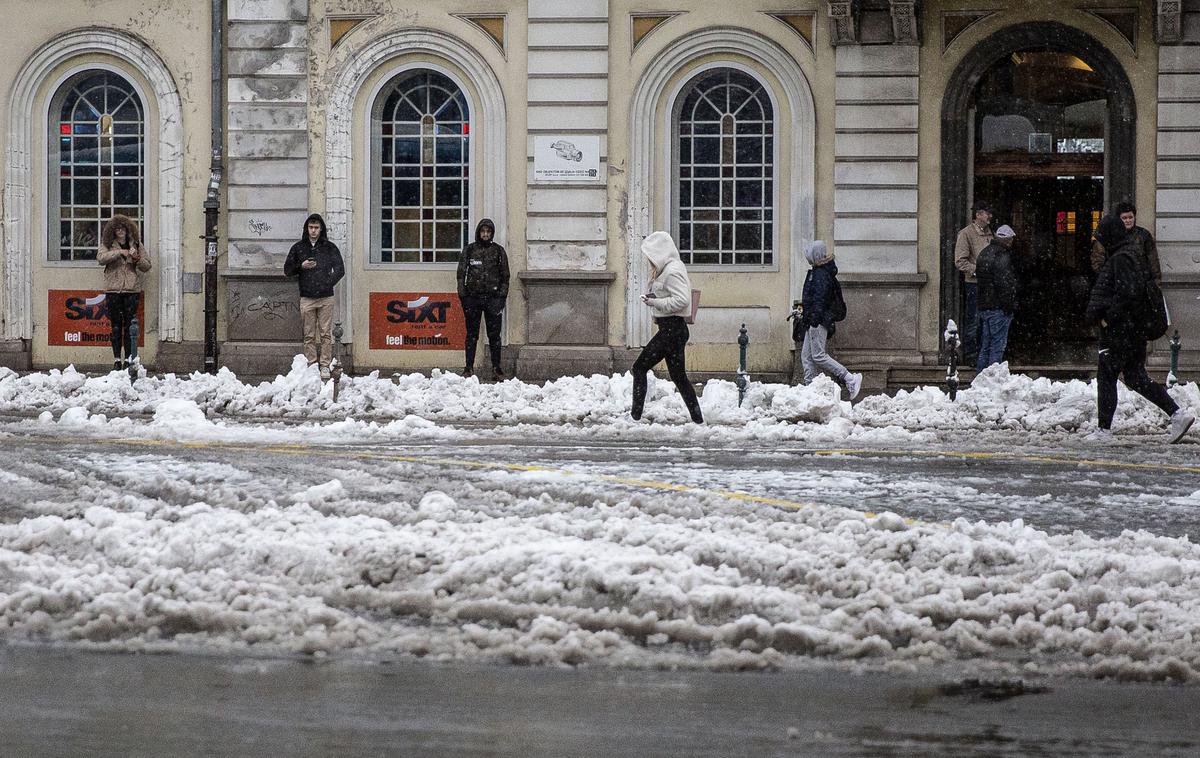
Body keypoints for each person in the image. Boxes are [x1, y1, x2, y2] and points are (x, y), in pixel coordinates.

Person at [1086, 214, 1193, 443]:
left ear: (1110, 236)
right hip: (1132, 330)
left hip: (1120, 331)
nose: (1100, 241)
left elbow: (1127, 294)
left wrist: (1107, 319)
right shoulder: (1130, 255)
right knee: (1135, 378)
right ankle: (1177, 414)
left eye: (1102, 236)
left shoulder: (1121, 259)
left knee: (1107, 376)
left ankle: (1104, 430)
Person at [630, 231, 703, 424]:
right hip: (672, 329)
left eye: (651, 256)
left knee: (639, 368)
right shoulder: (668, 269)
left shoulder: (673, 270)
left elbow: (682, 300)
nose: (649, 261)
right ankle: (698, 419)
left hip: (672, 329)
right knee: (679, 377)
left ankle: (635, 417)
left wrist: (656, 303)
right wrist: (656, 300)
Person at [284, 213, 345, 380]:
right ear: (306, 229)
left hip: (326, 297)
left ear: (321, 229)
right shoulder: (298, 248)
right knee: (309, 334)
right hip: (307, 297)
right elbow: (287, 270)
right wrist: (301, 266)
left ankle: (325, 365)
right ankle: (311, 364)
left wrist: (327, 283)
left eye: (316, 228)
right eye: (311, 227)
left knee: (326, 333)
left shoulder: (329, 247)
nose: (313, 231)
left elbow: (340, 269)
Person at [799, 241, 862, 400]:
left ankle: (849, 378)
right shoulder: (818, 271)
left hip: (818, 320)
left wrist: (814, 319)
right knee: (806, 357)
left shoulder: (820, 274)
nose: (807, 257)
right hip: (813, 319)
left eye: (809, 254)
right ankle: (811, 390)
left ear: (815, 255)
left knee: (818, 355)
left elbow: (820, 299)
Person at [456, 218, 510, 380]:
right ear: (478, 233)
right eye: (483, 231)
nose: (485, 234)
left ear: (491, 233)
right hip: (472, 299)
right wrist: (464, 297)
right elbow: (461, 274)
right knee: (472, 335)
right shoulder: (470, 250)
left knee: (494, 336)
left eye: (488, 231)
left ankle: (496, 369)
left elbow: (505, 277)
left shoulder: (499, 251)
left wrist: (500, 298)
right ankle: (468, 368)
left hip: (493, 300)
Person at [97, 214, 152, 370]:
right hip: (113, 290)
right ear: (113, 231)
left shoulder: (136, 244)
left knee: (129, 326)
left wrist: (136, 258)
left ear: (128, 230)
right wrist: (119, 252)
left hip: (131, 290)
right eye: (117, 229)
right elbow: (100, 258)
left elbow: (147, 266)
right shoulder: (108, 244)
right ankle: (116, 360)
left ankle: (128, 359)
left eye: (123, 228)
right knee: (115, 325)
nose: (120, 231)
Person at [974, 224, 1019, 372]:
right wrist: (1009, 306)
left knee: (985, 346)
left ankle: (980, 377)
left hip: (984, 306)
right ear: (1008, 240)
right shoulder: (1002, 256)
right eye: (1011, 240)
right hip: (998, 307)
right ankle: (993, 379)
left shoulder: (984, 253)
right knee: (997, 346)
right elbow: (1005, 284)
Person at [954, 204, 994, 362]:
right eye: (987, 213)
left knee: (987, 319)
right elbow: (960, 261)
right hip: (974, 284)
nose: (989, 216)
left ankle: (984, 354)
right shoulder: (966, 234)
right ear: (978, 214)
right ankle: (971, 355)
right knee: (974, 320)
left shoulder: (990, 233)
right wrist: (978, 271)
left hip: (989, 284)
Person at [1091, 201, 1162, 282]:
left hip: (1139, 283)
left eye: (1130, 217)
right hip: (1116, 283)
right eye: (1124, 218)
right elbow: (1097, 262)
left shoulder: (1144, 235)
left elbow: (1153, 263)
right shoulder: (1108, 235)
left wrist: (1155, 285)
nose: (1128, 221)